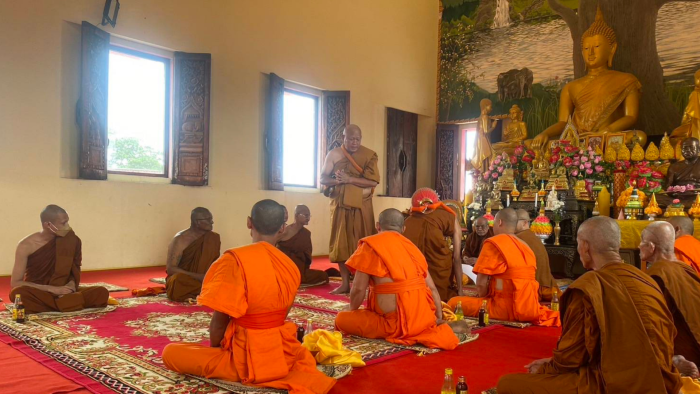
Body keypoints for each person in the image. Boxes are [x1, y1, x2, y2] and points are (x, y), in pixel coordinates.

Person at [162, 200, 335, 394]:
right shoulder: (288, 264)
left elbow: (219, 323)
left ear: (249, 223)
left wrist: (217, 351)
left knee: (171, 353)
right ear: (282, 228)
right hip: (281, 353)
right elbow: (282, 314)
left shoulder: (234, 259)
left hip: (242, 359)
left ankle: (243, 369)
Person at [497, 217, 682, 394]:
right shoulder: (647, 280)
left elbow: (572, 356)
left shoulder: (588, 287)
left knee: (508, 384)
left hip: (612, 385)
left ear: (585, 247)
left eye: (578, 244)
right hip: (662, 381)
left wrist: (548, 367)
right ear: (616, 246)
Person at [335, 209, 468, 349]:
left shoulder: (371, 245)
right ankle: (430, 325)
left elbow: (358, 289)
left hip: (393, 324)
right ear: (403, 229)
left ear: (377, 226)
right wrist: (437, 319)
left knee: (341, 318)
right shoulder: (413, 249)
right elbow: (432, 288)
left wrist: (352, 309)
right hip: (423, 319)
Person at [531, 8, 646, 151]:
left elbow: (630, 117)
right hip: (578, 140)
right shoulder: (570, 87)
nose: (590, 52)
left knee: (639, 137)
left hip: (605, 137)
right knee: (533, 145)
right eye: (586, 48)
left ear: (612, 49)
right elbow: (563, 122)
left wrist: (607, 130)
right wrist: (544, 134)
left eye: (596, 46)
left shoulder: (626, 80)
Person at [447, 208, 560, 327]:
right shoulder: (525, 245)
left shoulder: (494, 242)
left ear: (499, 222)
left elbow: (480, 284)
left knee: (453, 302)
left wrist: (483, 298)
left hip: (504, 308)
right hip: (529, 307)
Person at [9, 205, 108, 314]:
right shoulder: (25, 245)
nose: (68, 226)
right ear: (48, 225)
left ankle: (60, 303)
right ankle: (69, 303)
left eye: (67, 222)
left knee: (101, 293)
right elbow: (16, 282)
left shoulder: (72, 240)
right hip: (39, 291)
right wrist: (52, 289)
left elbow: (75, 269)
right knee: (18, 294)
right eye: (63, 223)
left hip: (64, 290)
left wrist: (70, 285)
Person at [320, 124, 380, 294]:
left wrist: (349, 179)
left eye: (358, 139)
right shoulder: (334, 155)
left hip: (362, 206)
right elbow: (323, 178)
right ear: (343, 138)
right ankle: (345, 283)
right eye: (351, 139)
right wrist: (338, 181)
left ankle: (365, 284)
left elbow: (373, 182)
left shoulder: (368, 155)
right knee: (341, 244)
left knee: (364, 244)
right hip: (340, 205)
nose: (355, 142)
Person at [641, 221, 700, 378]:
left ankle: (673, 363)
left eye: (642, 242)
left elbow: (651, 322)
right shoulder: (685, 268)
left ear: (652, 247)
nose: (639, 246)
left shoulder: (657, 275)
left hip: (684, 352)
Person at [403, 188, 464, 302]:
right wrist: (460, 289)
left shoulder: (407, 221)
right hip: (440, 284)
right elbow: (456, 258)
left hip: (411, 285)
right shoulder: (448, 216)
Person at [165, 208, 221, 302]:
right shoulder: (180, 239)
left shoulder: (213, 238)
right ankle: (210, 290)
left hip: (206, 278)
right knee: (176, 281)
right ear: (197, 222)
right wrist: (198, 276)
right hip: (187, 279)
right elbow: (171, 269)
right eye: (208, 219)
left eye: (211, 219)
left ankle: (209, 289)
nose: (212, 222)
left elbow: (214, 263)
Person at [277, 205, 329, 286]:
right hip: (285, 267)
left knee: (323, 276)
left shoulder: (306, 233)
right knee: (323, 276)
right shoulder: (286, 230)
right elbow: (273, 245)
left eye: (309, 215)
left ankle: (296, 278)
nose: (308, 218)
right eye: (306, 215)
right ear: (297, 215)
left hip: (300, 267)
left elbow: (307, 254)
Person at [515, 209, 558, 301]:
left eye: (514, 221)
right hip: (548, 285)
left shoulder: (519, 238)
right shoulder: (531, 236)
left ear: (524, 223)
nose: (511, 224)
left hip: (535, 288)